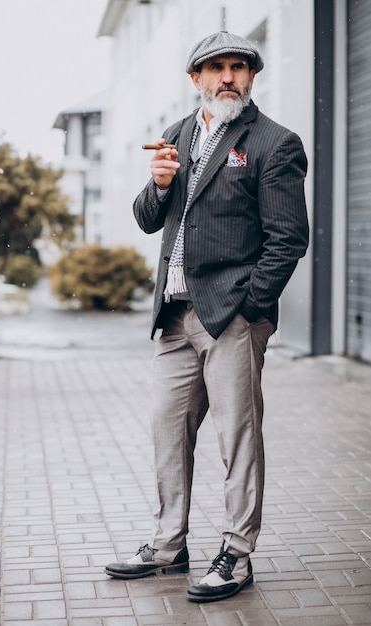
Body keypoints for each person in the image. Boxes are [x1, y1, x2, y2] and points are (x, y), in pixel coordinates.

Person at [105, 31, 309, 603]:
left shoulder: (274, 142)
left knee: (237, 437)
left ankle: (237, 555)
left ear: (251, 76)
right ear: (195, 78)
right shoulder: (176, 135)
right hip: (173, 317)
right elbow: (149, 220)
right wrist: (158, 183)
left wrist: (248, 305)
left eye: (238, 67)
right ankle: (169, 545)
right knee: (167, 432)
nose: (227, 77)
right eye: (215, 67)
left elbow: (288, 238)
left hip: (231, 318)